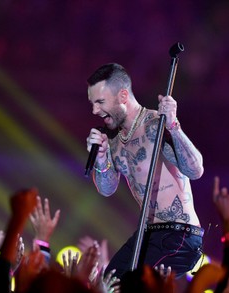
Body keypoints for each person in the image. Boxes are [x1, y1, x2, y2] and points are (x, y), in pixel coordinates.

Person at [85, 63, 204, 279]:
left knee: (132, 284)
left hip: (180, 235)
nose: (94, 111)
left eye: (100, 102)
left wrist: (174, 126)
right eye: (92, 104)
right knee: (108, 282)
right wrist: (101, 158)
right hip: (148, 235)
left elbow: (196, 170)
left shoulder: (155, 126)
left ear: (122, 96)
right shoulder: (115, 144)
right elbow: (107, 189)